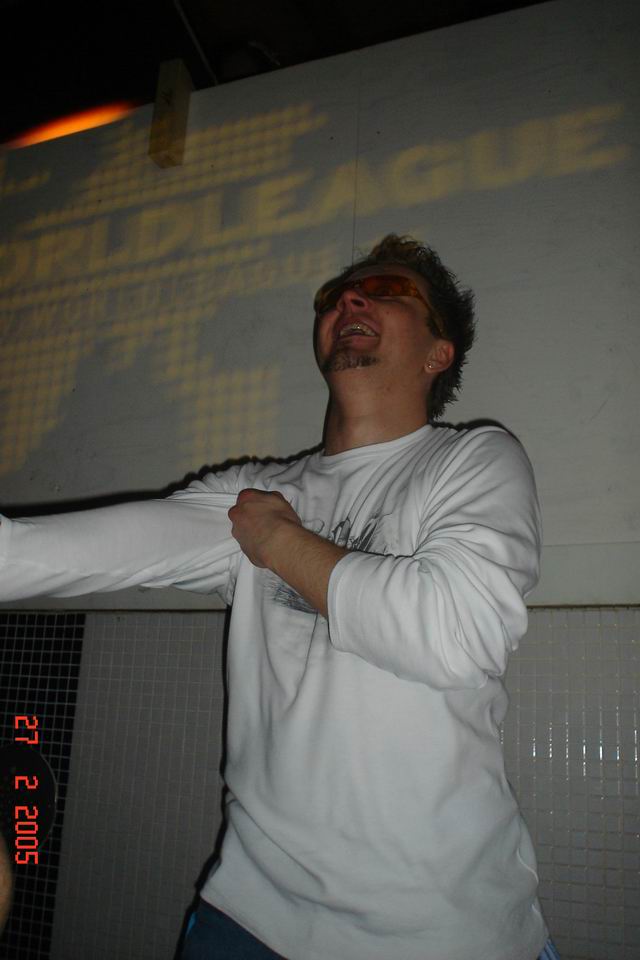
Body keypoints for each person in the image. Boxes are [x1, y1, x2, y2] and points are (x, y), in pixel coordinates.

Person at [0, 235, 558, 960]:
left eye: (387, 290)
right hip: (249, 918)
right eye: (336, 296)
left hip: (443, 930)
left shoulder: (472, 459)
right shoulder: (253, 493)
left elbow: (454, 634)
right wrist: (265, 524)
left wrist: (280, 542)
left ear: (438, 353)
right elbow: (44, 556)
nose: (349, 298)